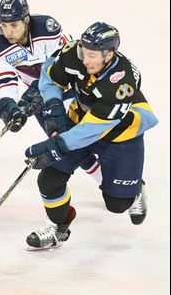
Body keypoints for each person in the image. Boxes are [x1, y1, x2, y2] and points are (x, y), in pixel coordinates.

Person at [25, 22, 159, 249]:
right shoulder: (74, 54)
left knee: (116, 204)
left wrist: (57, 144)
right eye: (83, 52)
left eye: (92, 55)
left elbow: (95, 129)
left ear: (109, 54)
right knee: (49, 180)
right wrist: (54, 104)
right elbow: (50, 75)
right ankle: (59, 228)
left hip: (120, 135)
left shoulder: (122, 81)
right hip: (81, 120)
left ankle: (135, 190)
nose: (85, 60)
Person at [0, 0, 102, 183]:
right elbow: (1, 79)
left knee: (92, 137)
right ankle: (105, 183)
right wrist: (7, 104)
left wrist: (40, 87)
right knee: (65, 143)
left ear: (26, 19)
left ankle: (125, 183)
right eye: (3, 25)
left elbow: (64, 61)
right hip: (40, 100)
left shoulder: (46, 28)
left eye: (13, 25)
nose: (8, 32)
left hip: (73, 90)